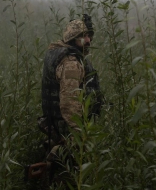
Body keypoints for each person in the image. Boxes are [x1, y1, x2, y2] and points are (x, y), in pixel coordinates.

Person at [37, 14, 103, 187]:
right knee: (69, 175)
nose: (88, 40)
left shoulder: (63, 54)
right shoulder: (70, 63)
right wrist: (79, 134)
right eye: (84, 37)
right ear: (74, 39)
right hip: (67, 129)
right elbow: (69, 102)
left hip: (58, 126)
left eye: (89, 36)